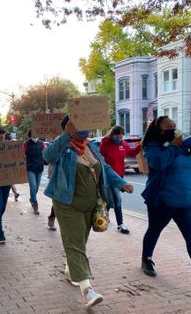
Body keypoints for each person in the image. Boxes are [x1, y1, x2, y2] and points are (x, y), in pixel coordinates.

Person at [43, 115, 134, 307]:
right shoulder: (62, 147)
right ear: (69, 128)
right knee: (75, 244)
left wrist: (121, 182)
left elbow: (105, 168)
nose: (85, 129)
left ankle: (70, 270)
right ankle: (87, 290)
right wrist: (65, 135)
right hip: (67, 204)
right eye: (79, 126)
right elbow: (48, 156)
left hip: (90, 205)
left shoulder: (90, 146)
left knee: (79, 243)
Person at [140, 116, 191, 277]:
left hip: (186, 201)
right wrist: (174, 146)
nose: (172, 128)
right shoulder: (153, 148)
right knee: (154, 230)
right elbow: (159, 163)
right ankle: (146, 259)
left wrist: (178, 145)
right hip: (163, 201)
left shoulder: (183, 147)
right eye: (167, 126)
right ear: (158, 130)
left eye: (174, 126)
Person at [99, 125, 141, 234]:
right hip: (110, 177)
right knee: (117, 201)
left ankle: (105, 216)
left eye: (121, 137)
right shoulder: (105, 145)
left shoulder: (123, 144)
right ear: (112, 135)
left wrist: (140, 146)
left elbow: (131, 152)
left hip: (120, 176)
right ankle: (120, 224)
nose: (119, 139)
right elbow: (100, 161)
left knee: (110, 200)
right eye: (117, 136)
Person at [24, 129, 45, 215]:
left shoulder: (42, 143)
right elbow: (22, 154)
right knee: (33, 186)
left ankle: (32, 198)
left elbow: (45, 153)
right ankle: (35, 204)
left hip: (39, 167)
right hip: (30, 168)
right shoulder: (26, 144)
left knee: (36, 188)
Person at [5, 132, 20, 201]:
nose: (10, 140)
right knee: (9, 181)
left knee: (10, 181)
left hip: (12, 165)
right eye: (9, 138)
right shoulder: (4, 144)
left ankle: (15, 193)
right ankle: (15, 193)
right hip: (6, 166)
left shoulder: (14, 143)